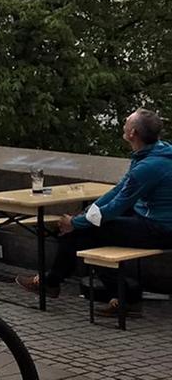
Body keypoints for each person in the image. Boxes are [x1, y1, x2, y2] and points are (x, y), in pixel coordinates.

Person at [17, 108, 172, 317]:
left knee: (88, 233)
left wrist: (77, 223)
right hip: (149, 218)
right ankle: (54, 282)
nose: (123, 124)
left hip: (161, 229)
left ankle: (123, 297)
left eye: (127, 122)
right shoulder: (155, 152)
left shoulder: (150, 166)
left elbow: (118, 204)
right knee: (87, 224)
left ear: (133, 133)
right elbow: (118, 190)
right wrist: (85, 214)